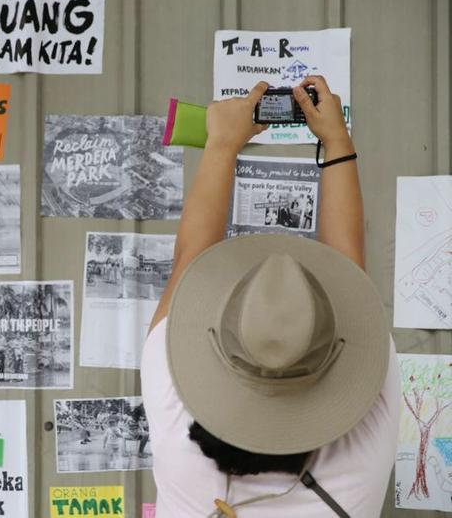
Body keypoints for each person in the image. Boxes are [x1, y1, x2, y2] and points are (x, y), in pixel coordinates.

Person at [142, 76, 397, 517]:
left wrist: (222, 143)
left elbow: (190, 257)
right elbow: (348, 271)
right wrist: (336, 139)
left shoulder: (176, 433)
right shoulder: (364, 448)